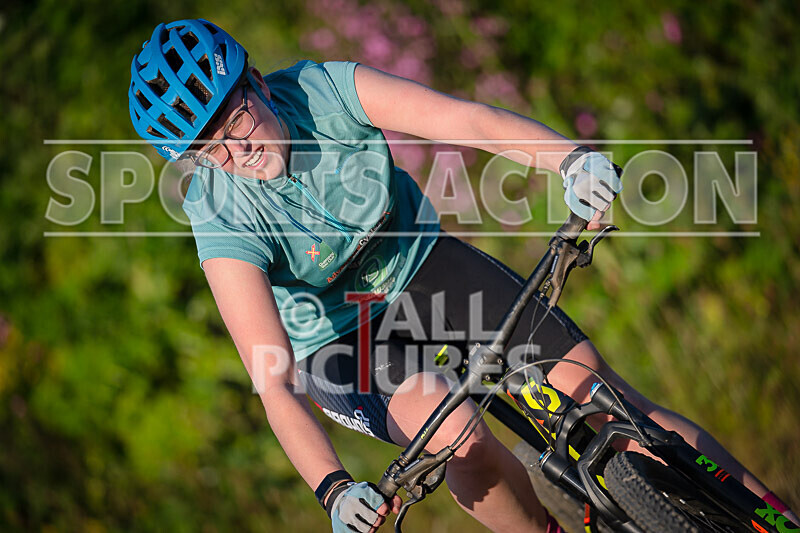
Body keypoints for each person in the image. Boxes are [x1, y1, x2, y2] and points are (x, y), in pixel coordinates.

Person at [128, 19, 796, 532]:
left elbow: (467, 120)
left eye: (236, 118)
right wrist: (332, 486)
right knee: (457, 433)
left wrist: (569, 161)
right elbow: (271, 376)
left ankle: (770, 515)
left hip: (418, 264)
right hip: (340, 337)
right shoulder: (218, 212)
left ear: (258, 85)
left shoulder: (325, 91)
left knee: (599, 395)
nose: (235, 149)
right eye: (207, 147)